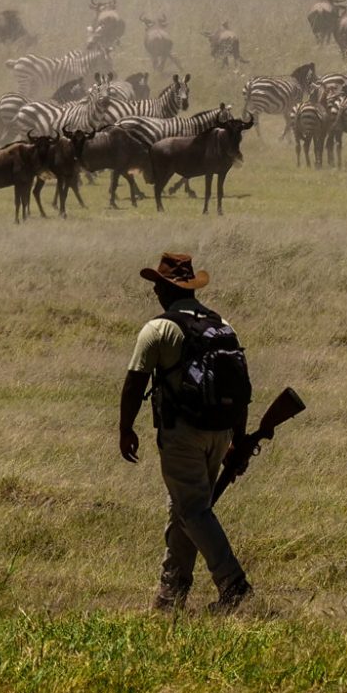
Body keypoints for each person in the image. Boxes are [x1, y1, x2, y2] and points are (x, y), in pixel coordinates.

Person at [119, 252, 254, 614]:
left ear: (164, 289)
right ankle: (171, 592)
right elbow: (240, 389)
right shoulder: (222, 323)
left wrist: (125, 429)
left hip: (182, 433)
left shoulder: (159, 328)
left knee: (193, 509)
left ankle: (234, 586)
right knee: (185, 508)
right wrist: (237, 440)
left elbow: (135, 383)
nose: (154, 293)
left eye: (157, 286)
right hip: (220, 432)